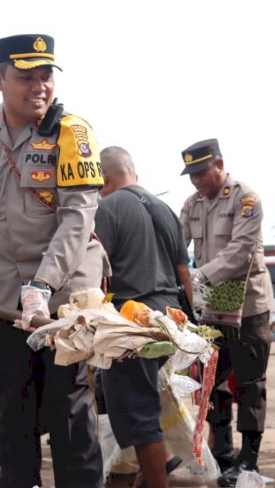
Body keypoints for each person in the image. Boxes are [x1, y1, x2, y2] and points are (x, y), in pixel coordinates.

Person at [0, 34, 107, 488]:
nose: (39, 87)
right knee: (13, 408)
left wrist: (44, 287)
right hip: (5, 299)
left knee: (68, 410)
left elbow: (77, 218)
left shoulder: (73, 133)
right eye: (25, 77)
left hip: (66, 295)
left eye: (46, 76)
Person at [178, 139, 274, 487]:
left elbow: (239, 252)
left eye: (201, 172)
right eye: (191, 175)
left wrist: (195, 278)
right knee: (212, 382)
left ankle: (249, 462)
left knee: (250, 385)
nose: (197, 181)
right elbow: (178, 243)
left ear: (219, 163)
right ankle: (224, 455)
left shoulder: (245, 199)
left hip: (248, 309)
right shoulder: (192, 204)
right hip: (212, 311)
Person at [93, 146, 189, 488]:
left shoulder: (107, 207)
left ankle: (155, 481)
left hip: (131, 320)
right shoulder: (165, 208)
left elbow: (96, 274)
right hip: (168, 318)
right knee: (144, 403)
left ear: (103, 179)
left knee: (137, 411)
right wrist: (192, 328)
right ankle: (150, 476)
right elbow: (184, 272)